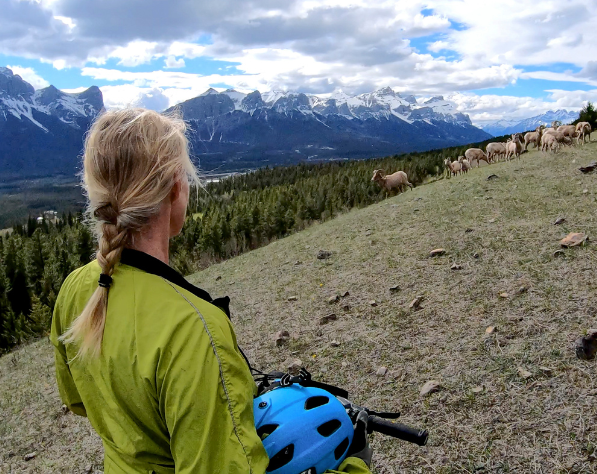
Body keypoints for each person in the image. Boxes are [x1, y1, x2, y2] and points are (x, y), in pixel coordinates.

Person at [50, 108, 371, 474]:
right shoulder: (195, 330)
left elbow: (77, 400)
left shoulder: (75, 289)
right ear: (175, 187)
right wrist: (355, 467)